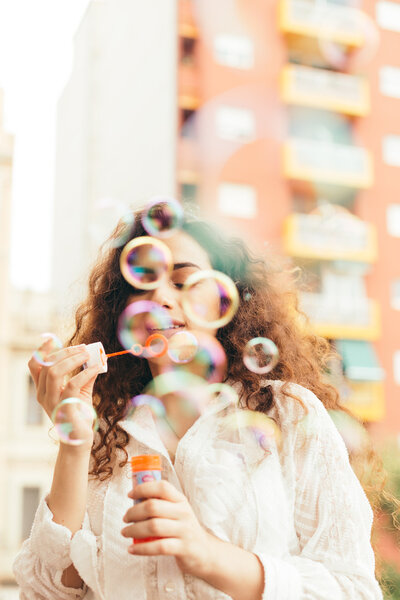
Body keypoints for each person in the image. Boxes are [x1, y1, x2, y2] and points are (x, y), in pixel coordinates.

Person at [13, 207, 383, 600]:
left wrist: (207, 555)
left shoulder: (288, 413)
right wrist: (74, 444)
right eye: (142, 284)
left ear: (229, 297)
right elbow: (45, 593)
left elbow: (352, 590)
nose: (159, 296)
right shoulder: (101, 437)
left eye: (183, 280)